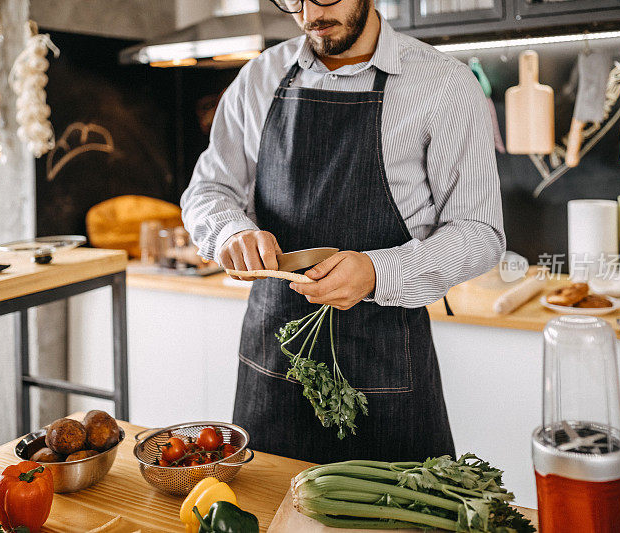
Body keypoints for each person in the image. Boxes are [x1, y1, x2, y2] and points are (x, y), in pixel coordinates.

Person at [182, 0, 505, 463]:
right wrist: (230, 230)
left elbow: (480, 232)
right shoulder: (259, 78)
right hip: (272, 366)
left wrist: (377, 271)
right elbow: (207, 189)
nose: (309, 11)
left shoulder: (444, 86)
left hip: (386, 369)